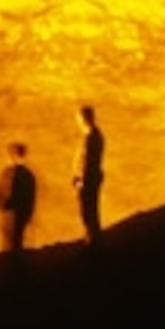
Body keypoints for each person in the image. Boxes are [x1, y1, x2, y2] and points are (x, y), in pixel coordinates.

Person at [0, 141, 37, 255]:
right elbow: (31, 197)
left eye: (11, 154)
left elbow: (4, 192)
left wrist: (1, 205)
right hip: (19, 213)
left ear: (14, 155)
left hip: (12, 213)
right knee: (16, 240)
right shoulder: (28, 174)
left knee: (11, 242)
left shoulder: (11, 172)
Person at [74, 104, 107, 245]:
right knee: (90, 210)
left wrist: (82, 180)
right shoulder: (92, 136)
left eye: (79, 118)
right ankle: (92, 238)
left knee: (88, 210)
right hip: (90, 178)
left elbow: (89, 161)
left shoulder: (91, 137)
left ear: (84, 119)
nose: (77, 122)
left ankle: (93, 241)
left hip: (89, 179)